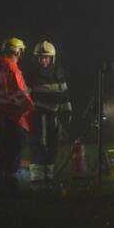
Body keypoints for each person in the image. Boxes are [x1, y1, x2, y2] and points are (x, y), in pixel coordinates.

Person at [26, 41, 72, 184]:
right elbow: (26, 97)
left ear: (52, 58)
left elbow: (64, 94)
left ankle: (49, 176)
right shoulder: (31, 75)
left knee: (53, 145)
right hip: (37, 117)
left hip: (54, 117)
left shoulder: (58, 72)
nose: (43, 60)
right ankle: (37, 179)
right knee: (38, 145)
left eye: (46, 57)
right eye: (40, 57)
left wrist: (67, 111)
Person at [0, 38, 33, 191]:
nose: (21, 54)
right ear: (16, 51)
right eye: (21, 51)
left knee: (3, 150)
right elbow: (20, 94)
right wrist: (31, 107)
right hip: (14, 116)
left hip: (2, 116)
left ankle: (0, 182)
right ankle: (11, 184)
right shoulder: (12, 68)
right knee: (14, 150)